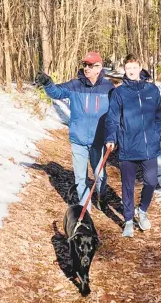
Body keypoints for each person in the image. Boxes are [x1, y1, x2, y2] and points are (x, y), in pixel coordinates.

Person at [36, 52, 114, 212]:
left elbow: (117, 111)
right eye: (85, 65)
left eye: (90, 65)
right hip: (78, 140)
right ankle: (86, 213)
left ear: (99, 67)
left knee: (100, 177)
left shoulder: (109, 88)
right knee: (80, 178)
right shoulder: (75, 85)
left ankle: (102, 197)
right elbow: (56, 93)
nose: (86, 68)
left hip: (98, 141)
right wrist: (47, 83)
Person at [104, 54, 161, 237]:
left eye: (134, 67)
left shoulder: (152, 90)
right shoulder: (119, 93)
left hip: (149, 147)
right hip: (128, 146)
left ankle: (142, 211)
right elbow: (112, 119)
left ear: (140, 67)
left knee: (151, 181)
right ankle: (128, 220)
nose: (131, 71)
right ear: (124, 69)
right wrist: (111, 138)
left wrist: (156, 132)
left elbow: (158, 115)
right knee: (127, 186)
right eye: (128, 68)